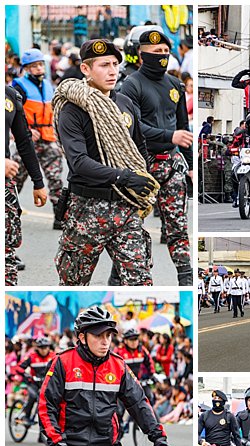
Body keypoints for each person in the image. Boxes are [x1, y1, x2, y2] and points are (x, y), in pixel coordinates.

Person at [38, 305, 170, 446]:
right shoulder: (63, 363)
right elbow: (45, 407)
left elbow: (139, 404)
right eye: (99, 335)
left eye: (109, 335)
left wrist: (159, 439)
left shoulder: (118, 365)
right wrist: (60, 445)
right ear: (81, 337)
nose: (105, 341)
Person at [52, 39, 158, 286]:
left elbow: (139, 147)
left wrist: (145, 172)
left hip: (125, 208)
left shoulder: (124, 103)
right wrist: (123, 176)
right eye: (103, 65)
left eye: (114, 64)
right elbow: (78, 162)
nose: (112, 71)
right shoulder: (73, 108)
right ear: (86, 69)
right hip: (87, 209)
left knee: (140, 282)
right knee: (74, 283)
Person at [119, 30, 193, 286]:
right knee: (131, 229)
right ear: (141, 55)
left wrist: (191, 167)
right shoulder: (131, 85)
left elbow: (184, 128)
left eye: (164, 52)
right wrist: (170, 136)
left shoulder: (175, 85)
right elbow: (133, 127)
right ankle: (120, 279)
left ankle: (186, 279)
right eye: (155, 53)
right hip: (142, 165)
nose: (161, 57)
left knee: (178, 227)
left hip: (171, 165)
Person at [11, 48, 64, 227]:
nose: (39, 68)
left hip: (48, 138)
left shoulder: (49, 86)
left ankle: (59, 217)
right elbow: (13, 115)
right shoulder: (18, 87)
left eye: (41, 65)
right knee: (16, 178)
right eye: (34, 66)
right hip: (28, 140)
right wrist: (26, 130)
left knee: (56, 178)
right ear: (26, 68)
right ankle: (9, 213)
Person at [5, 84, 47, 286]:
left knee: (6, 254)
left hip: (5, 187)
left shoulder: (10, 96)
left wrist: (38, 182)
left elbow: (24, 141)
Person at [17, 337, 56, 426]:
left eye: (46, 347)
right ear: (37, 348)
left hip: (46, 383)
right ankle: (26, 416)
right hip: (33, 382)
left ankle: (41, 432)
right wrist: (26, 374)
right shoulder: (32, 357)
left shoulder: (53, 356)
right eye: (41, 347)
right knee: (33, 396)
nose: (44, 350)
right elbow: (19, 367)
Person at [115, 328, 155, 400]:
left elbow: (150, 362)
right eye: (131, 339)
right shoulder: (119, 351)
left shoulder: (142, 350)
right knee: (119, 407)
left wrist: (152, 374)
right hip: (124, 383)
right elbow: (114, 367)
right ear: (125, 341)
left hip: (140, 381)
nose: (134, 342)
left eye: (136, 339)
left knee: (149, 396)